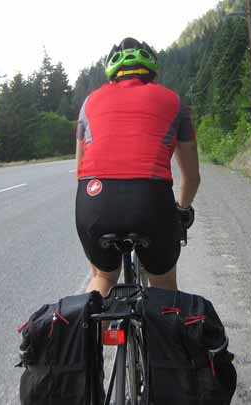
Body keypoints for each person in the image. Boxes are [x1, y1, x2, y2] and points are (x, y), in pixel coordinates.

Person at [75, 37, 200, 297]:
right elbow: (191, 178)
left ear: (112, 74)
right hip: (151, 202)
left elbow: (81, 171)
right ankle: (163, 330)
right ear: (152, 71)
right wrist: (182, 209)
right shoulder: (174, 102)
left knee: (103, 277)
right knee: (163, 285)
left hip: (95, 199)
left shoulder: (89, 103)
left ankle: (91, 332)